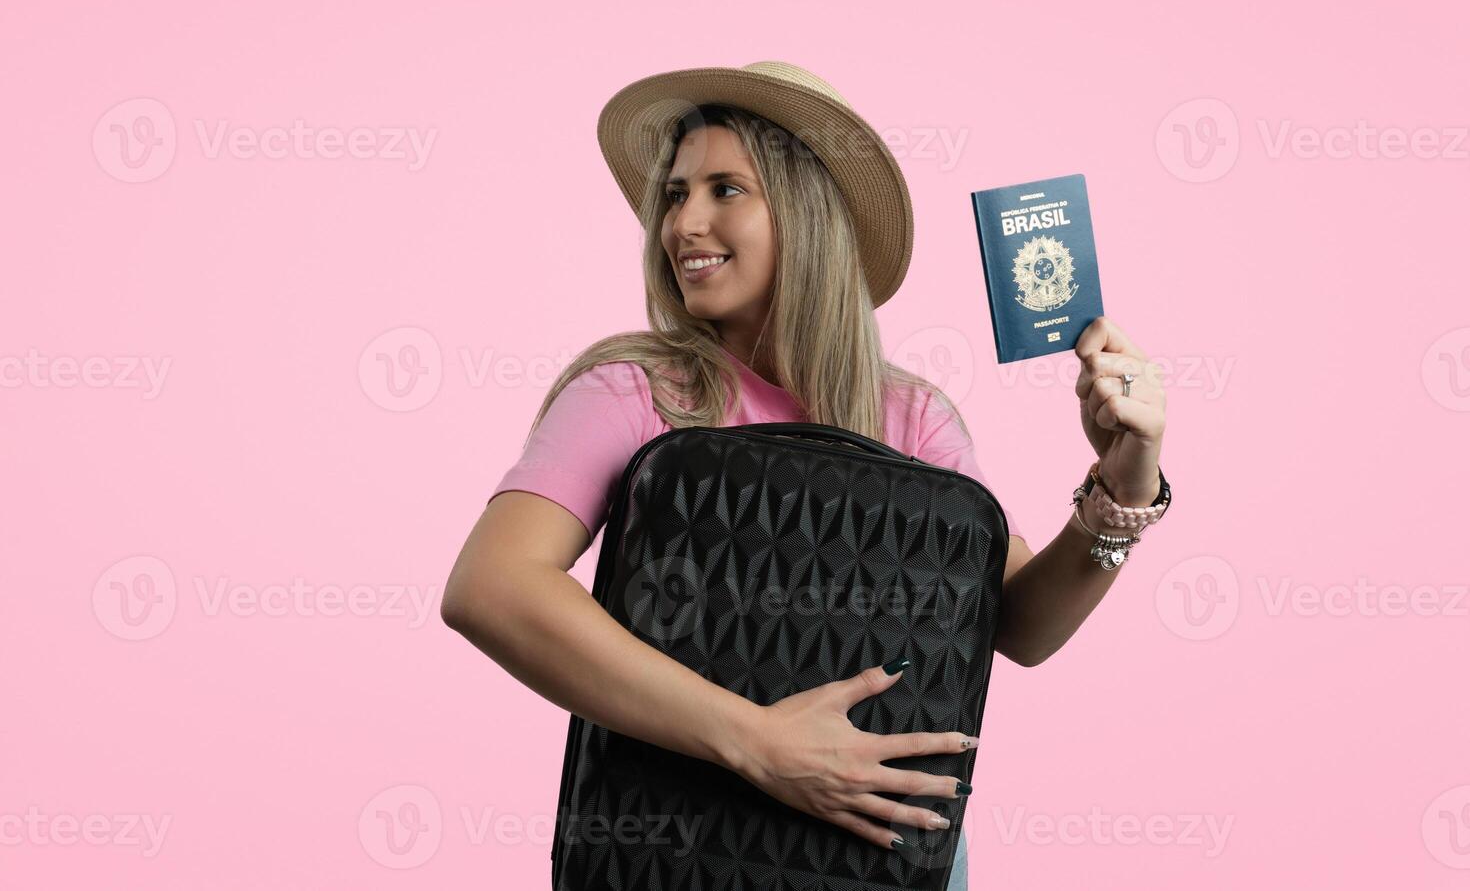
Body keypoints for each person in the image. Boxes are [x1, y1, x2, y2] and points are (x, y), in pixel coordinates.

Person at [441, 61, 1171, 889]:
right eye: (676, 195)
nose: (685, 223)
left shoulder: (912, 417)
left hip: (879, 861)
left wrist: (1125, 486)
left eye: (725, 190)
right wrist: (758, 741)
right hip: (672, 854)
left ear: (808, 213)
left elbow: (1019, 629)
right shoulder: (636, 390)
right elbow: (491, 588)